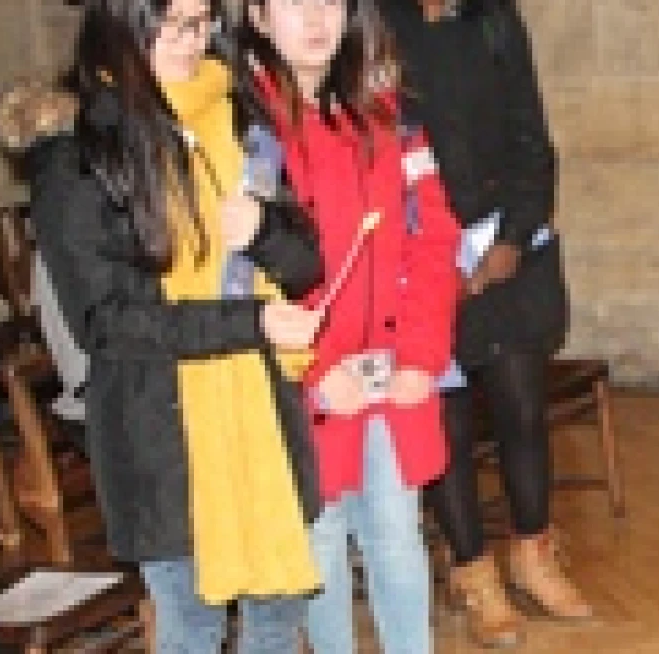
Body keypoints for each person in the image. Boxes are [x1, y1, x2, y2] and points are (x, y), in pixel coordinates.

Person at [0, 0, 326, 650]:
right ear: (119, 22)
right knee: (190, 627)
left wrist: (264, 231)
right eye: (171, 23)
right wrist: (250, 320)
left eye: (201, 23)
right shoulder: (75, 155)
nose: (190, 40)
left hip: (258, 415)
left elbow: (305, 260)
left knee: (278, 616)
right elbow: (110, 322)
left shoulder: (230, 116)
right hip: (161, 438)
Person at [235, 0, 459, 650]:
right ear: (256, 14)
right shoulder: (249, 130)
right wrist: (319, 369)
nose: (315, 18)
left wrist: (419, 354)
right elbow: (251, 269)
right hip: (304, 378)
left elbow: (432, 235)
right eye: (294, 2)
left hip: (391, 372)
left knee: (396, 535)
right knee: (321, 544)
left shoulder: (390, 111)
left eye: (329, 0)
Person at [378, 0, 580, 647]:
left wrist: (513, 239)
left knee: (521, 407)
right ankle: (474, 575)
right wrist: (433, 256)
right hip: (420, 245)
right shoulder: (374, 20)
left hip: (502, 234)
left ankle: (533, 552)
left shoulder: (493, 16)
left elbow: (531, 133)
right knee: (446, 422)